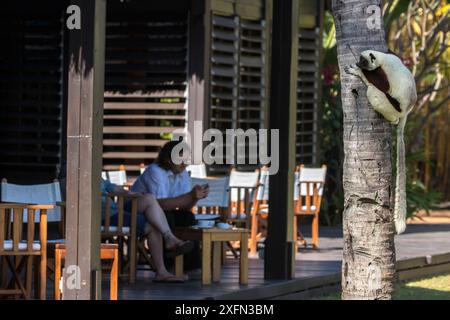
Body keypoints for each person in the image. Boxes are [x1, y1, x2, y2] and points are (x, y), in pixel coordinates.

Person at [131, 140, 209, 270]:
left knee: (187, 217)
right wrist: (190, 195)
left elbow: (184, 207)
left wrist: (196, 197)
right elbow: (160, 204)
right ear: (168, 159)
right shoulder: (155, 171)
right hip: (137, 211)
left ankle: (190, 265)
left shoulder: (182, 173)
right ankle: (169, 263)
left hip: (159, 211)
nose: (185, 164)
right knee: (168, 216)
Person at [101, 178, 192, 282]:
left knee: (149, 198)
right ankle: (162, 270)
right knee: (153, 225)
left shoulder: (96, 175)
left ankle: (169, 237)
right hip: (106, 216)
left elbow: (114, 189)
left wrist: (133, 193)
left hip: (116, 211)